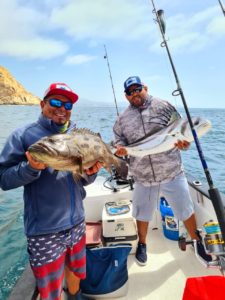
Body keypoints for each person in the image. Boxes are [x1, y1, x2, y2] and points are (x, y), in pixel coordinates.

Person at [0, 83, 102, 300]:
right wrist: (30, 169)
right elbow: (3, 179)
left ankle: (74, 296)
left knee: (76, 271)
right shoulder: (24, 136)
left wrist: (91, 173)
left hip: (77, 222)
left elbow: (80, 180)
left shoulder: (78, 135)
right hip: (45, 230)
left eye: (67, 104)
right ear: (42, 104)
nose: (61, 108)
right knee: (50, 289)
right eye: (55, 102)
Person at [113, 76, 212, 266]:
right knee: (142, 213)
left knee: (185, 209)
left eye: (137, 89)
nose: (134, 94)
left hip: (171, 171)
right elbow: (119, 139)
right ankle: (142, 244)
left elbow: (182, 133)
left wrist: (184, 145)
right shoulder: (122, 119)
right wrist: (121, 148)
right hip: (142, 174)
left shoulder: (164, 106)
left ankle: (196, 241)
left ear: (145, 88)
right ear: (126, 96)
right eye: (130, 92)